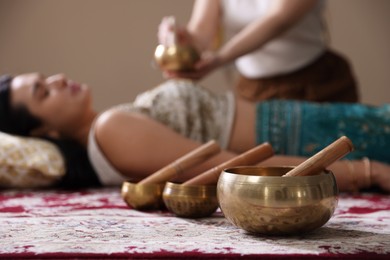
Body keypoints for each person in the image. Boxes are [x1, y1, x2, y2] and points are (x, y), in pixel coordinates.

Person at [0, 73, 389, 193]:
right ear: (44, 129)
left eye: (46, 76)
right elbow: (234, 166)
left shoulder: (112, 124)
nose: (56, 80)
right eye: (43, 92)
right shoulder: (110, 129)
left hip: (297, 123)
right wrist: (366, 172)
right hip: (303, 137)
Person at [158, 0, 359, 102]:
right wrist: (182, 40)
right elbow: (201, 32)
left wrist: (221, 58)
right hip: (253, 90)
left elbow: (279, 20)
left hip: (316, 83)